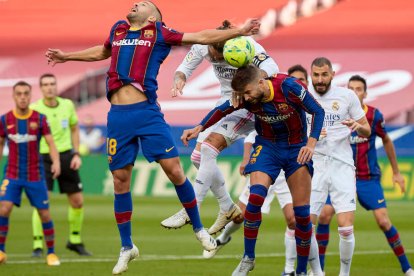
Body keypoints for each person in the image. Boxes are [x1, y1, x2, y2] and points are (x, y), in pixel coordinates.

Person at [45, 1, 261, 274]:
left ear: (154, 14)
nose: (134, 5)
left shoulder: (159, 32)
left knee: (174, 170)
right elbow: (102, 51)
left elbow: (203, 37)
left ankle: (198, 228)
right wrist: (67, 57)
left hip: (147, 113)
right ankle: (127, 247)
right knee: (120, 180)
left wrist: (239, 31)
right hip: (117, 116)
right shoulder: (119, 29)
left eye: (141, 4)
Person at [181, 64, 325, 275]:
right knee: (255, 198)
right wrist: (199, 127)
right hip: (267, 147)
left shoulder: (288, 86)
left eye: (248, 92)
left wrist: (311, 143)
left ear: (260, 82)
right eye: (243, 94)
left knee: (302, 216)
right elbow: (221, 110)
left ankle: (302, 271)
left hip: (296, 149)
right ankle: (248, 258)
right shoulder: (246, 97)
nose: (246, 98)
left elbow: (317, 110)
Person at [161, 19, 279, 235]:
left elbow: (272, 67)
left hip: (247, 103)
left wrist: (248, 81)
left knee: (208, 149)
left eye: (224, 56)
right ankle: (227, 207)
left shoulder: (245, 45)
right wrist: (180, 80)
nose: (220, 59)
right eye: (217, 56)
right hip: (225, 102)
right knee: (198, 158)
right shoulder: (203, 45)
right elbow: (184, 67)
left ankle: (191, 208)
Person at [313, 75, 414, 276]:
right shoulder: (336, 111)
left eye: (359, 89)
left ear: (365, 93)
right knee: (324, 215)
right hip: (340, 175)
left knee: (384, 221)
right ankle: (318, 270)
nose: (354, 92)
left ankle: (407, 268)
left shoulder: (374, 116)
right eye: (351, 88)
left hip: (366, 177)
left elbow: (386, 140)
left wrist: (396, 172)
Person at [306, 57, 371, 276]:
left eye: (324, 75)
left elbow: (367, 130)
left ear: (332, 74)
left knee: (345, 227)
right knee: (307, 226)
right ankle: (317, 273)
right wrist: (310, 135)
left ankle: (344, 273)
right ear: (311, 74)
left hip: (342, 165)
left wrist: (357, 126)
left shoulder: (347, 96)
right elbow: (292, 132)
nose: (320, 79)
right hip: (314, 166)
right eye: (316, 75)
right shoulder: (303, 97)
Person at [0, 81, 61, 266]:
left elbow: (51, 143)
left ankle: (51, 253)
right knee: (4, 208)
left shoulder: (40, 119)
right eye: (19, 93)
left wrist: (56, 161)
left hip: (35, 174)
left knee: (44, 214)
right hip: (12, 174)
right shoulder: (5, 120)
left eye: (26, 93)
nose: (23, 97)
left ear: (30, 94)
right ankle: (1, 251)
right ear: (14, 96)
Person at [30, 73, 91, 257]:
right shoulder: (34, 109)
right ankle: (38, 244)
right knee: (42, 201)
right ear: (41, 88)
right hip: (43, 156)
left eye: (52, 84)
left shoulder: (67, 105)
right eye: (46, 84)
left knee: (77, 201)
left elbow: (74, 128)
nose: (49, 87)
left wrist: (76, 153)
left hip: (66, 155)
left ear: (56, 86)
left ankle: (74, 240)